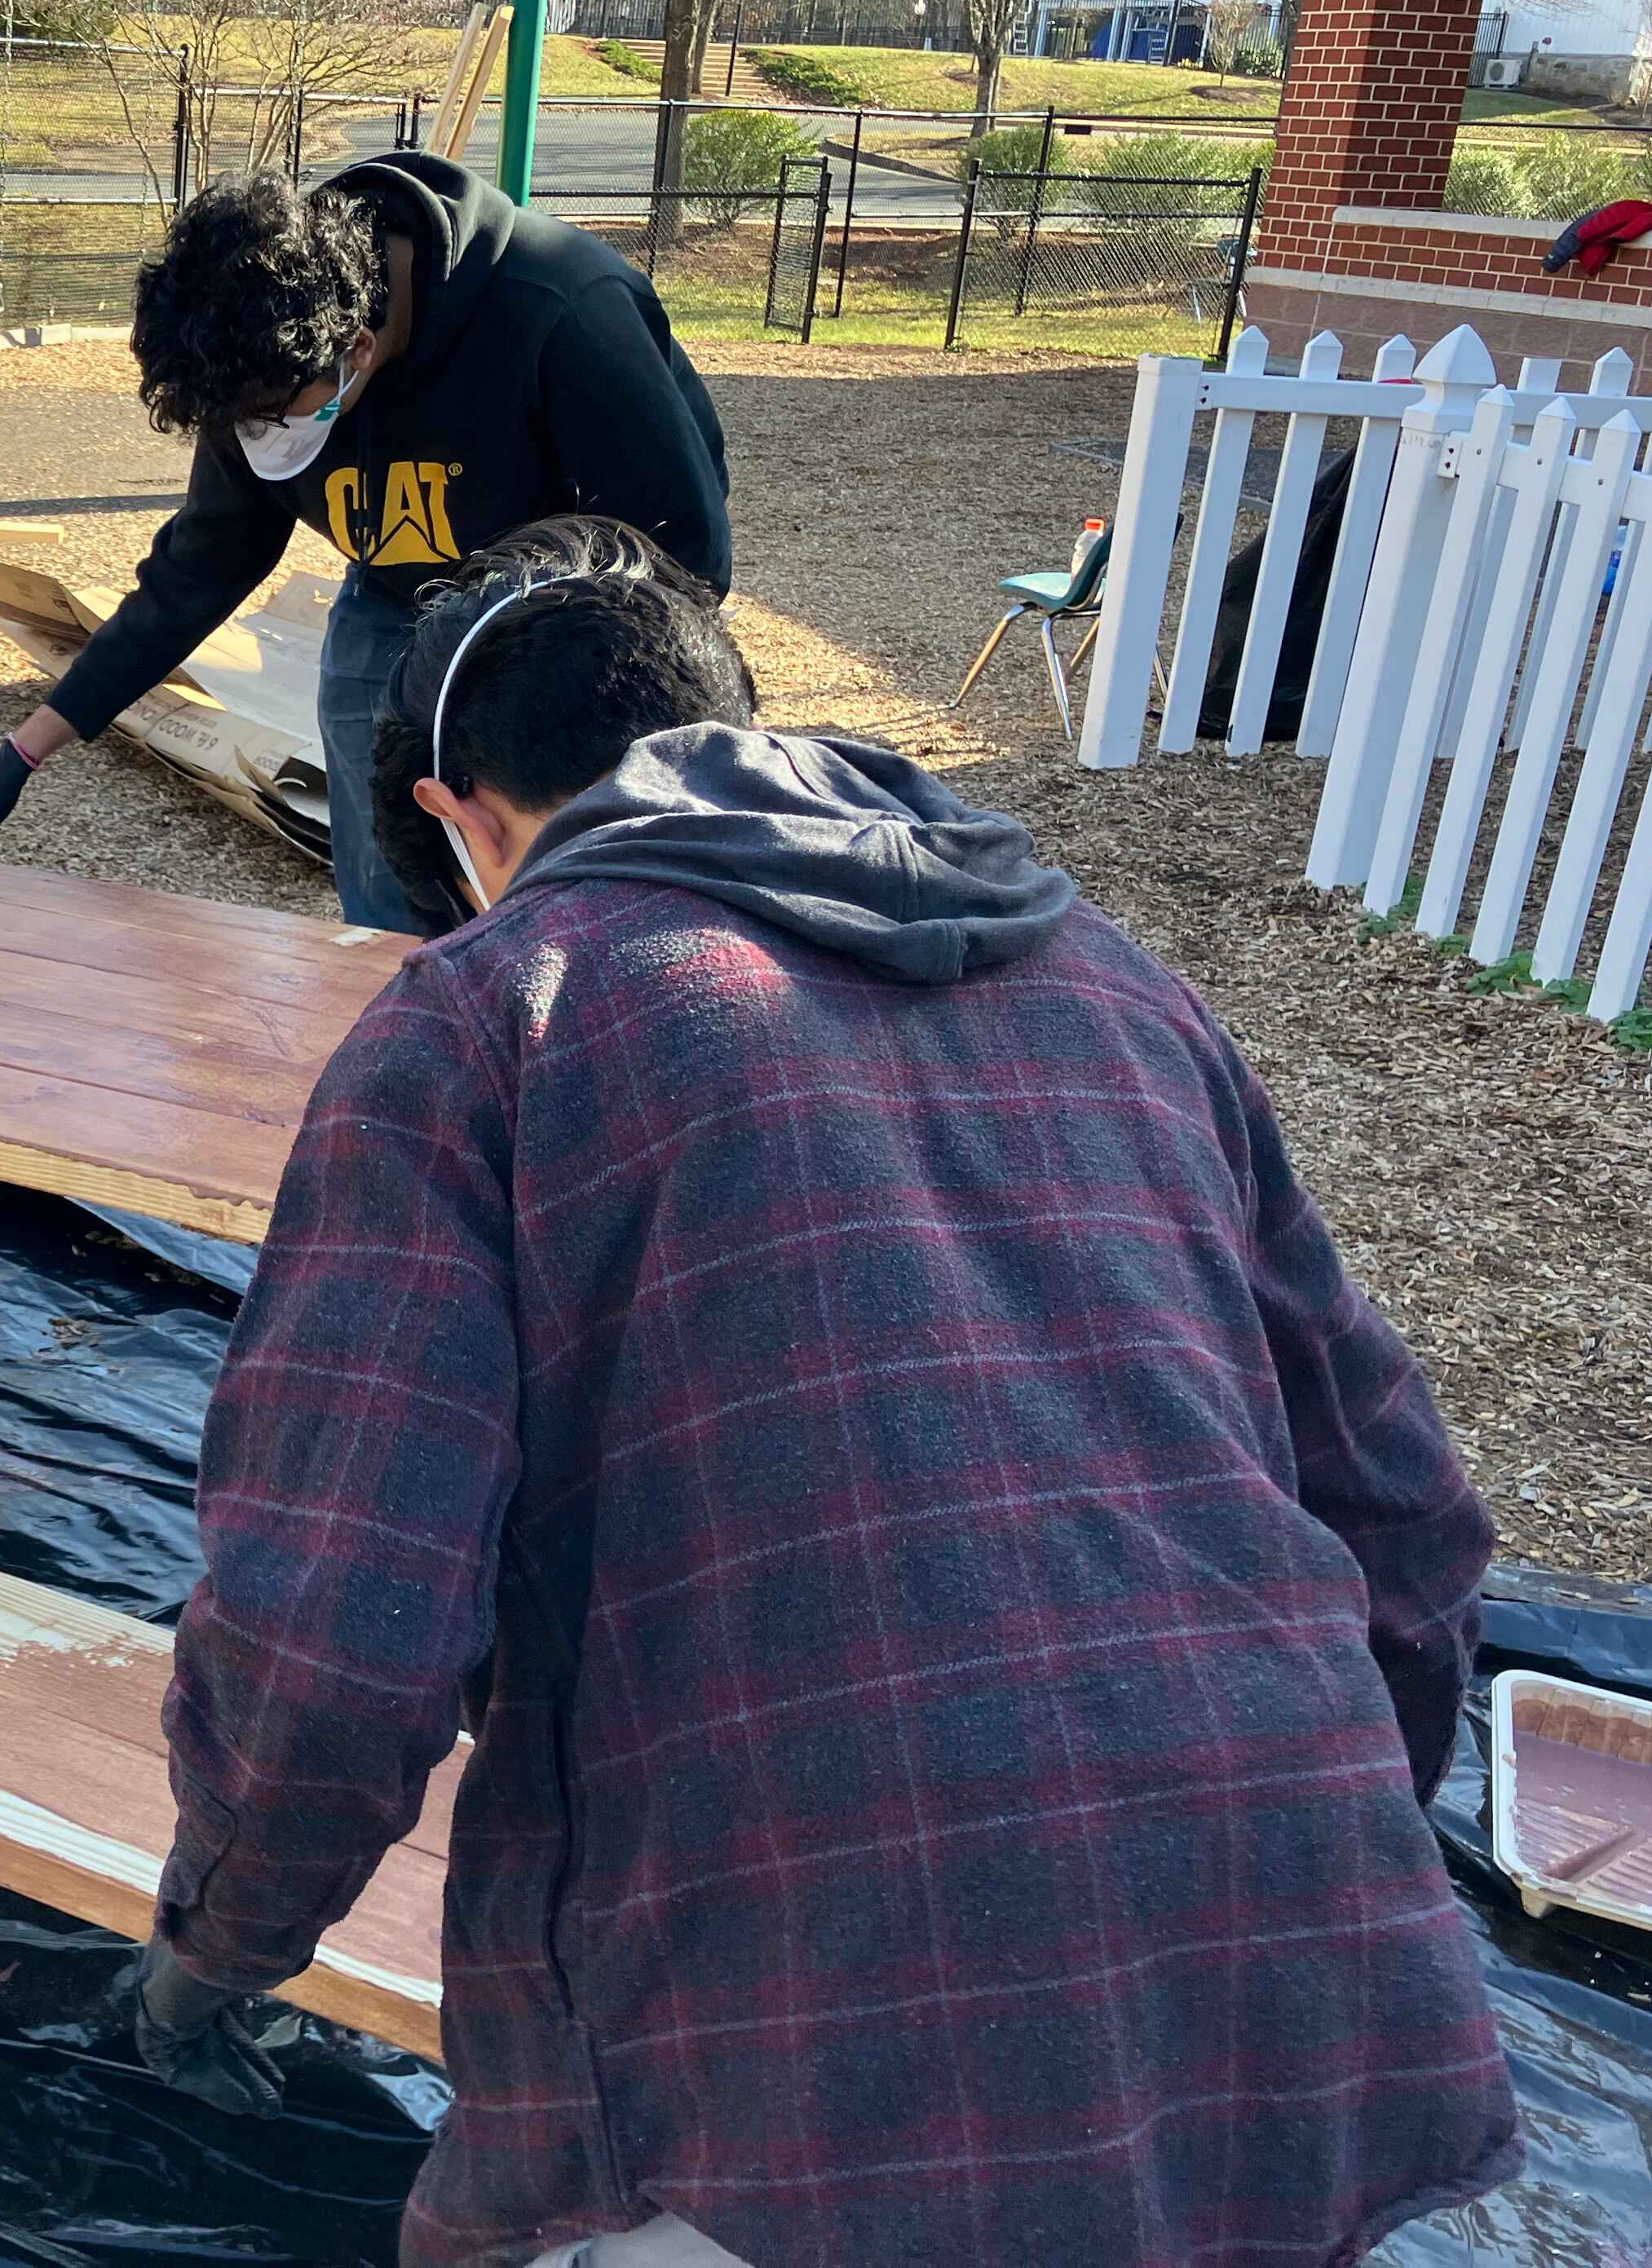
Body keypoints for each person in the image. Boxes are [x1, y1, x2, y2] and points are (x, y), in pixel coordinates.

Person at [124, 520, 1523, 2267]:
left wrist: (216, 1947)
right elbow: (1403, 1517)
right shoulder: (1122, 985)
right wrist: (1290, 1835)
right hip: (1316, 1994)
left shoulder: (489, 1022)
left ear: (454, 817)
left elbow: (335, 1632)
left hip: (810, 2080)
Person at [0, 153, 729, 930]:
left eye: (275, 416)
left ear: (357, 350)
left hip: (568, 614)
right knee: (389, 866)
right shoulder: (257, 362)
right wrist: (27, 749)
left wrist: (537, 704)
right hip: (394, 598)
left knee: (540, 853)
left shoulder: (561, 306)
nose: (258, 438)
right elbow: (200, 572)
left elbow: (685, 555)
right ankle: (400, 990)